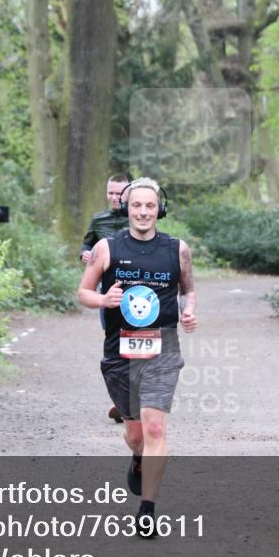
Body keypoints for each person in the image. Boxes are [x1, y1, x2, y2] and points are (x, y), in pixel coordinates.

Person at [77, 177, 197, 537]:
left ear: (159, 209)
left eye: (149, 206)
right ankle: (137, 455)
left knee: (156, 426)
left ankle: (147, 509)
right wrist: (103, 300)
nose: (143, 212)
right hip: (119, 351)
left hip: (163, 348)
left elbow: (189, 290)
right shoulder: (106, 248)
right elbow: (83, 292)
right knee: (135, 434)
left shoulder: (178, 249)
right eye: (136, 206)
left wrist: (189, 311)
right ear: (126, 209)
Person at [79, 174, 130, 423]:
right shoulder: (99, 219)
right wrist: (85, 255)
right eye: (110, 192)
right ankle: (121, 400)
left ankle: (133, 398)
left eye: (119, 193)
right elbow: (86, 245)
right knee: (115, 343)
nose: (114, 197)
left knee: (140, 343)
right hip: (108, 292)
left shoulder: (139, 217)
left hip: (139, 292)